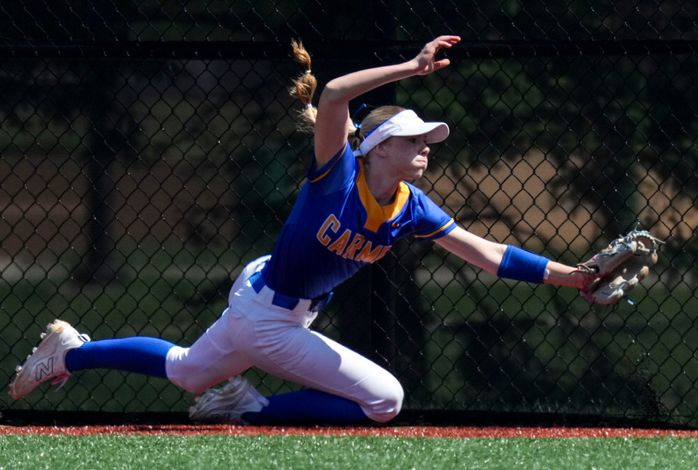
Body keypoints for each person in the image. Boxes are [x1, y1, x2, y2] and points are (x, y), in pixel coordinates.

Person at [9, 35, 596, 425]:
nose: (425, 148)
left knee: (188, 371)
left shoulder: (411, 205)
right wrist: (411, 68)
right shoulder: (336, 173)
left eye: (426, 141)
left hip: (267, 298)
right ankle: (250, 409)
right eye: (414, 140)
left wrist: (571, 276)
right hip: (268, 311)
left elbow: (486, 253)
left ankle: (71, 354)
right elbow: (338, 92)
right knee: (385, 401)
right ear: (378, 148)